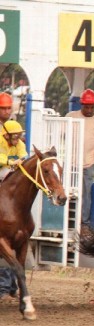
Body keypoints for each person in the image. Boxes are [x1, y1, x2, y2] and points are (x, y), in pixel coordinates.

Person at [66, 89, 94, 233]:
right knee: (67, 192)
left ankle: (83, 224)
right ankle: (66, 220)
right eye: (87, 106)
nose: (89, 109)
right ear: (81, 105)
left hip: (88, 164)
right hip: (71, 164)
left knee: (86, 195)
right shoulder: (71, 117)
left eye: (92, 106)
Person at [0, 93, 20, 300]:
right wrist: (8, 160)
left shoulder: (13, 127)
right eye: (3, 109)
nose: (6, 112)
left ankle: (10, 285)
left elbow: (21, 149)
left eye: (8, 109)